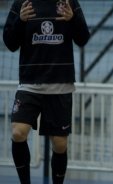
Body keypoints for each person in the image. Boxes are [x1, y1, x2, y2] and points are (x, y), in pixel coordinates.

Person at [3, 0, 90, 183]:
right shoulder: (22, 3)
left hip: (60, 85)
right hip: (29, 83)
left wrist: (73, 19)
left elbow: (83, 39)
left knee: (59, 144)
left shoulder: (68, 2)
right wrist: (20, 20)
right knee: (18, 133)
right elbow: (10, 43)